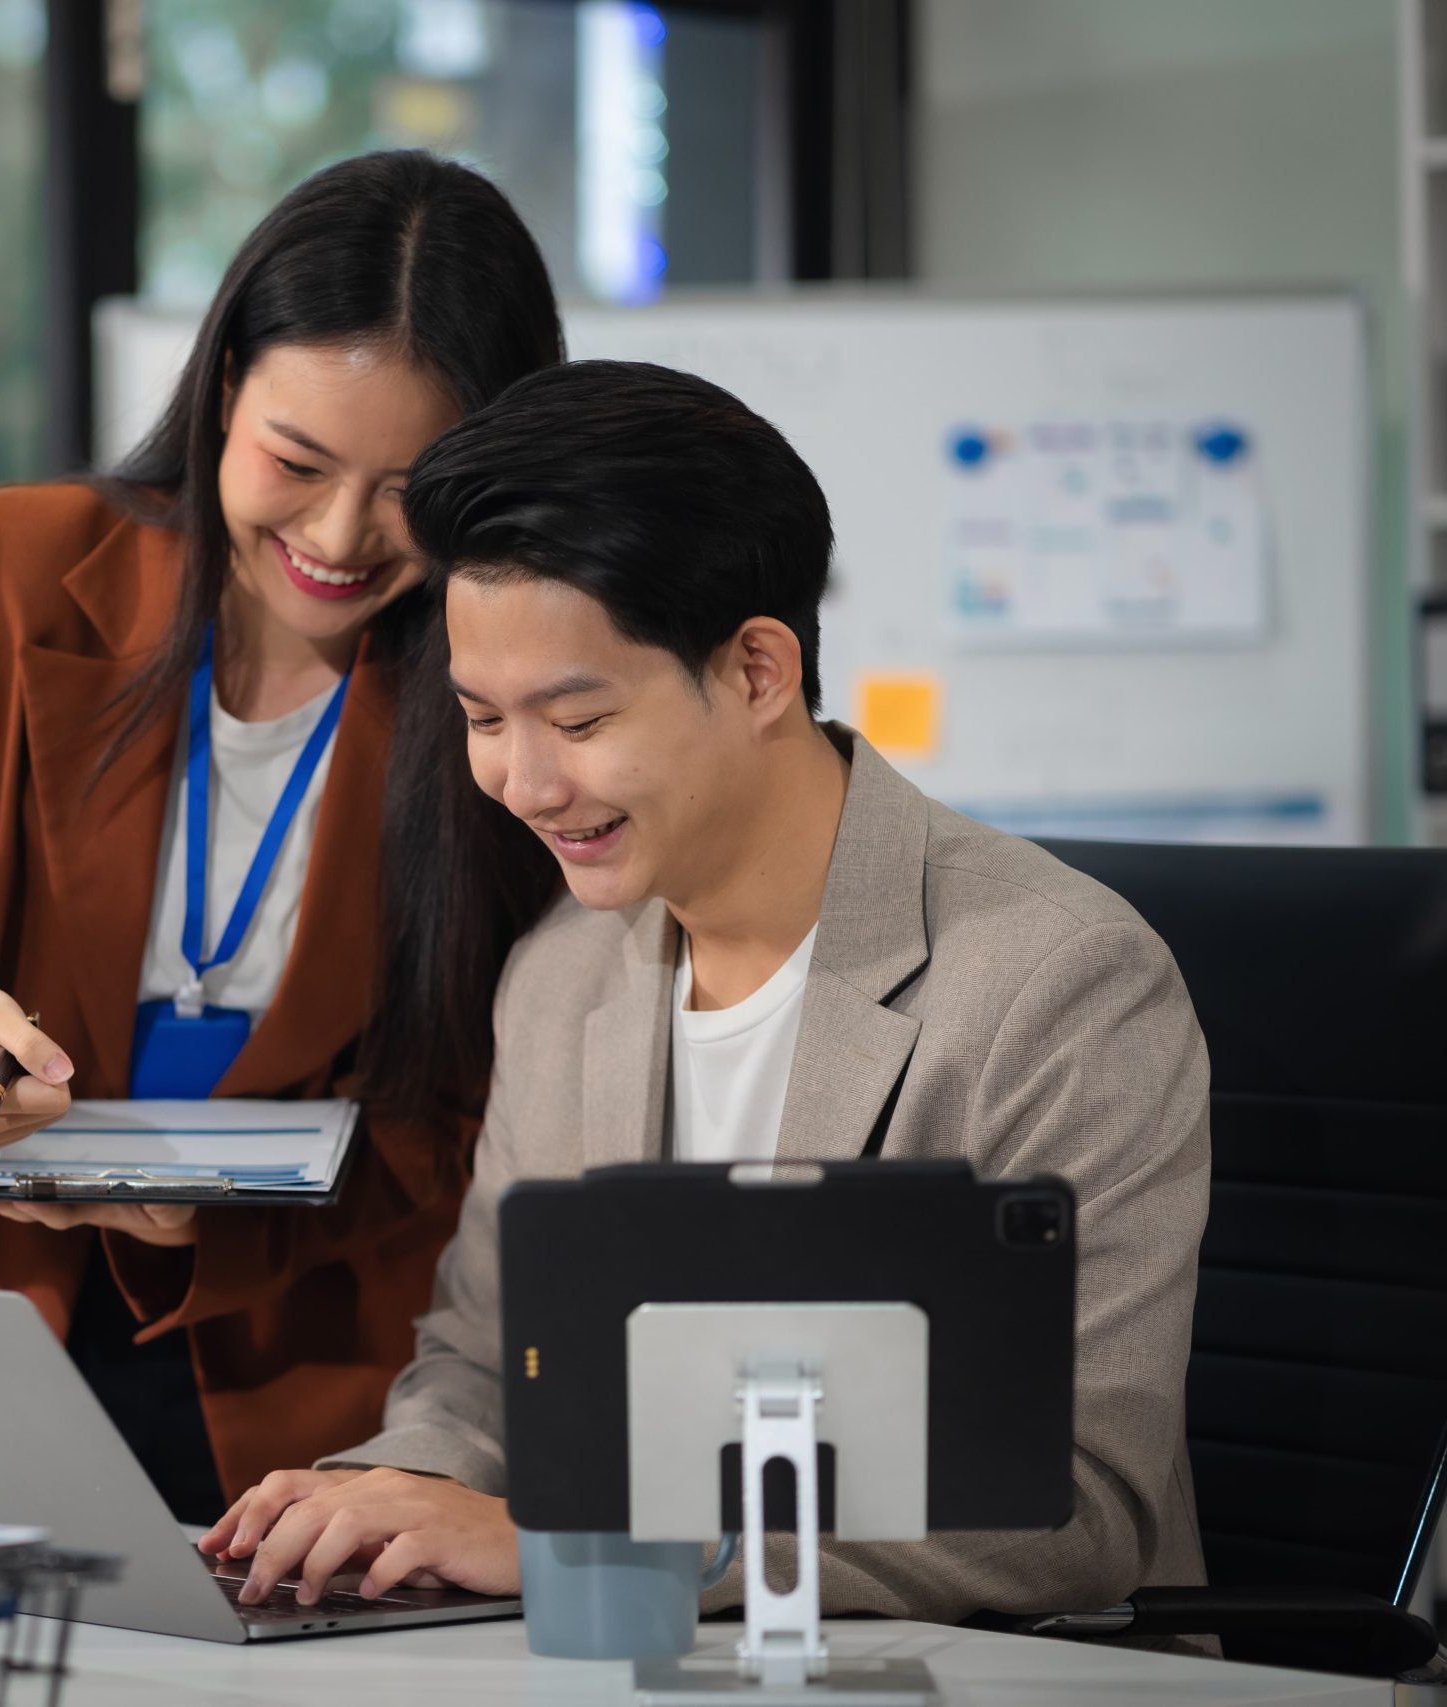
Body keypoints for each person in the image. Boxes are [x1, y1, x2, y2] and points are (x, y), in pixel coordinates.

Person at [201, 359, 1211, 1623]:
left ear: (755, 672)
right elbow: (485, 1348)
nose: (522, 782)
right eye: (480, 718)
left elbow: (1075, 1508)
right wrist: (390, 1497)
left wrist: (583, 1550)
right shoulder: (560, 974)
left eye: (575, 722)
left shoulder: (1058, 983)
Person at [0, 153, 565, 1523]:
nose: (336, 534)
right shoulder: (11, 573)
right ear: (218, 395)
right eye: (296, 461)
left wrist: (221, 1215)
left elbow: (493, 1105)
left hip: (317, 1377)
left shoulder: (513, 678)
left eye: (408, 489)